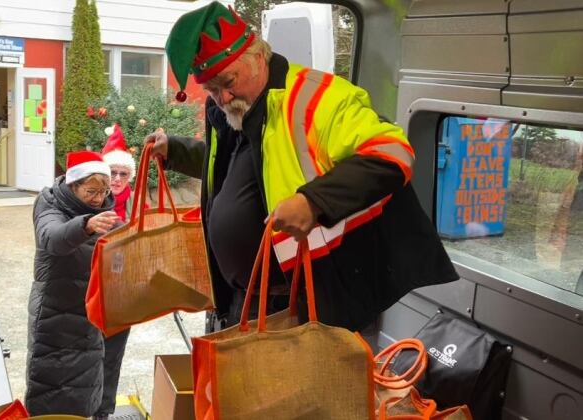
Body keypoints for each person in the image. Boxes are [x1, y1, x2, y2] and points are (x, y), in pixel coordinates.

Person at [145, 2, 458, 333]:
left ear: (257, 56)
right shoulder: (234, 106)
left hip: (305, 303)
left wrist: (313, 202)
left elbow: (393, 153)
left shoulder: (320, 97)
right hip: (243, 300)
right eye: (211, 89)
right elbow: (236, 168)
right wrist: (175, 151)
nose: (221, 97)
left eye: (227, 81)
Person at [25, 151, 129, 419]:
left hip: (89, 315)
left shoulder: (104, 212)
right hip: (54, 315)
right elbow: (54, 239)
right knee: (52, 389)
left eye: (103, 191)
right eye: (91, 191)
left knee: (87, 387)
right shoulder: (49, 204)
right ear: (74, 185)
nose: (98, 198)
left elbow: (116, 260)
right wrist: (86, 225)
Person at [102, 124, 137, 222]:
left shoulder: (137, 202)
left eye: (123, 174)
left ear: (129, 177)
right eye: (112, 172)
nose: (118, 179)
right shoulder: (90, 201)